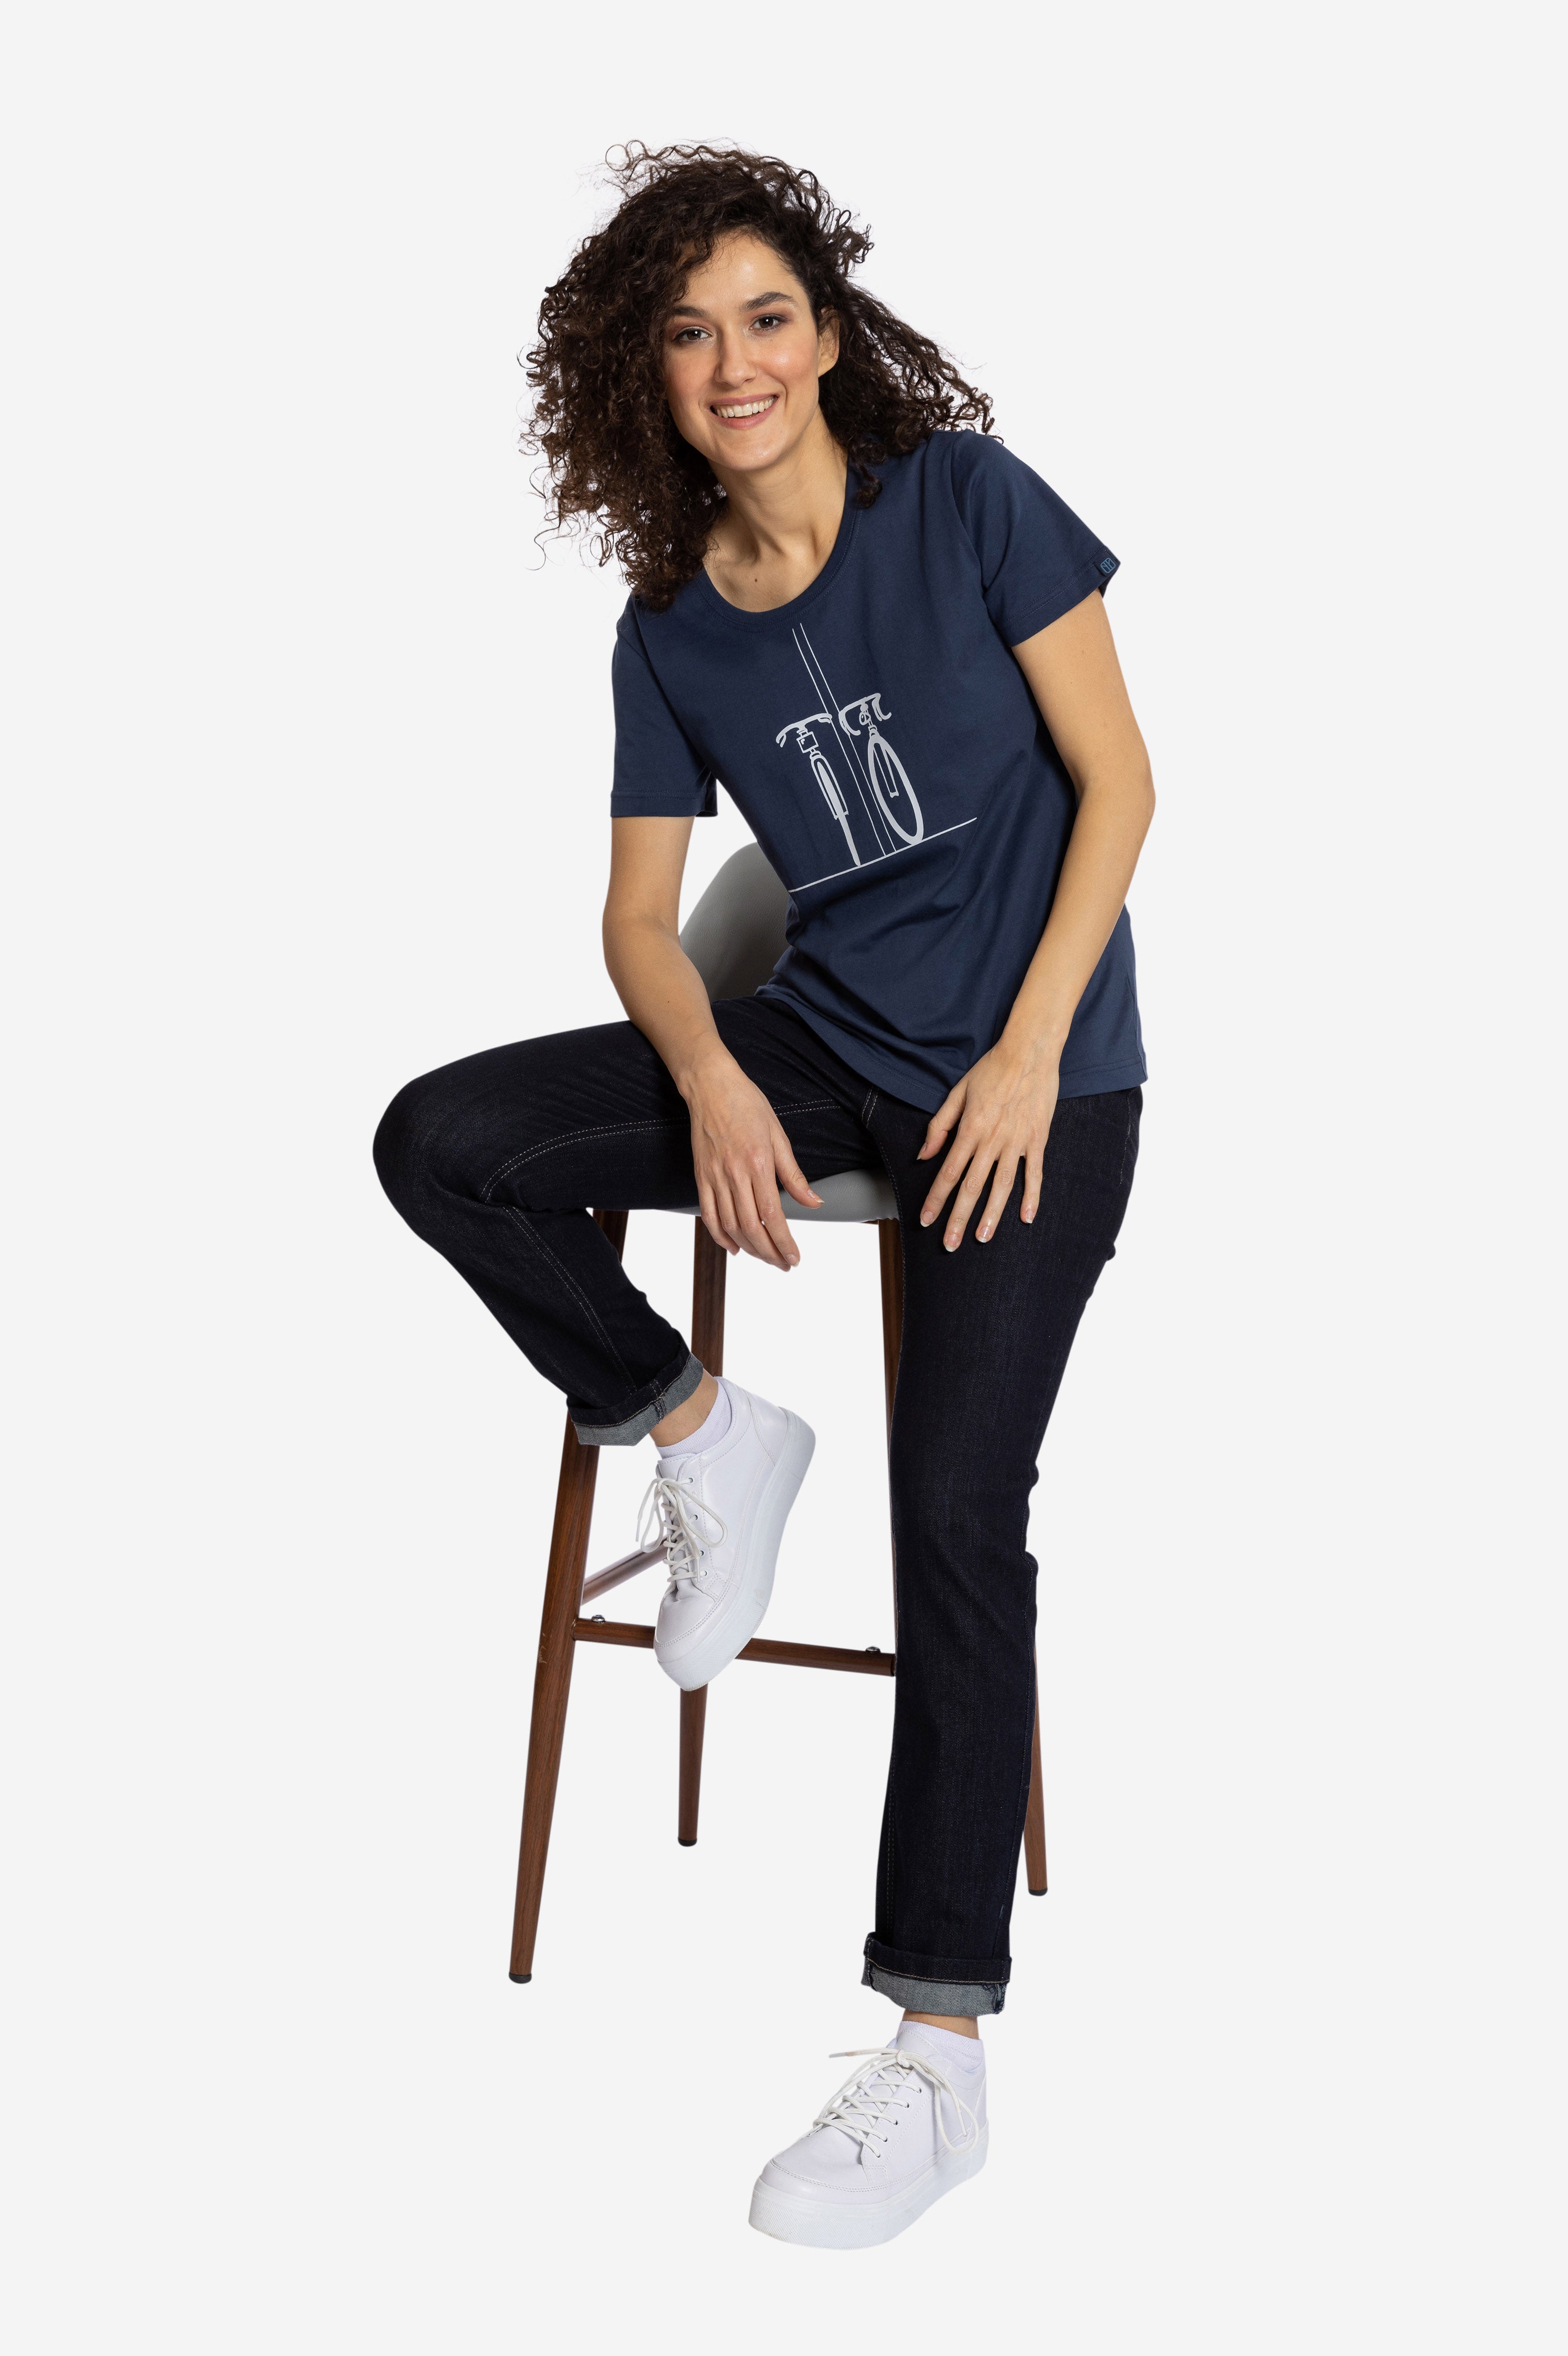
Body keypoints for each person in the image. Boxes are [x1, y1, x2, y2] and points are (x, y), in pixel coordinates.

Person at [374, 143, 1153, 2248]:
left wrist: (1024, 1053)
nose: (734, 361)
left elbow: (1122, 784)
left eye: (767, 315)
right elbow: (642, 918)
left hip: (1038, 1080)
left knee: (957, 1519)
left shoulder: (967, 504)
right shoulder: (666, 629)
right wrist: (718, 1074)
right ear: (641, 373)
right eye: (687, 331)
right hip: (812, 1052)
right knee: (442, 1141)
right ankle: (701, 1424)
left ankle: (937, 2046)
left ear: (828, 331)